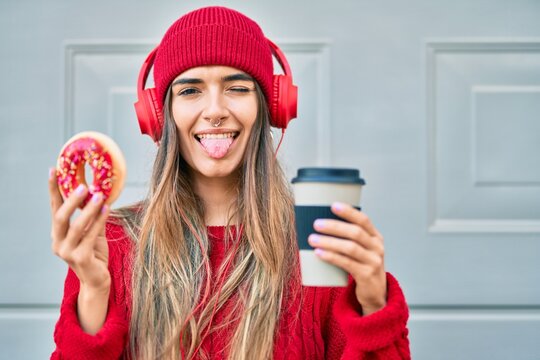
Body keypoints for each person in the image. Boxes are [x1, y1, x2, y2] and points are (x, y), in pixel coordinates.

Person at [49, 6, 410, 360]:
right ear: (160, 116)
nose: (215, 110)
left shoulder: (319, 246)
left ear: (270, 106)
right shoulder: (111, 244)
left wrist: (374, 304)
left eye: (236, 87)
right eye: (190, 91)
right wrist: (95, 290)